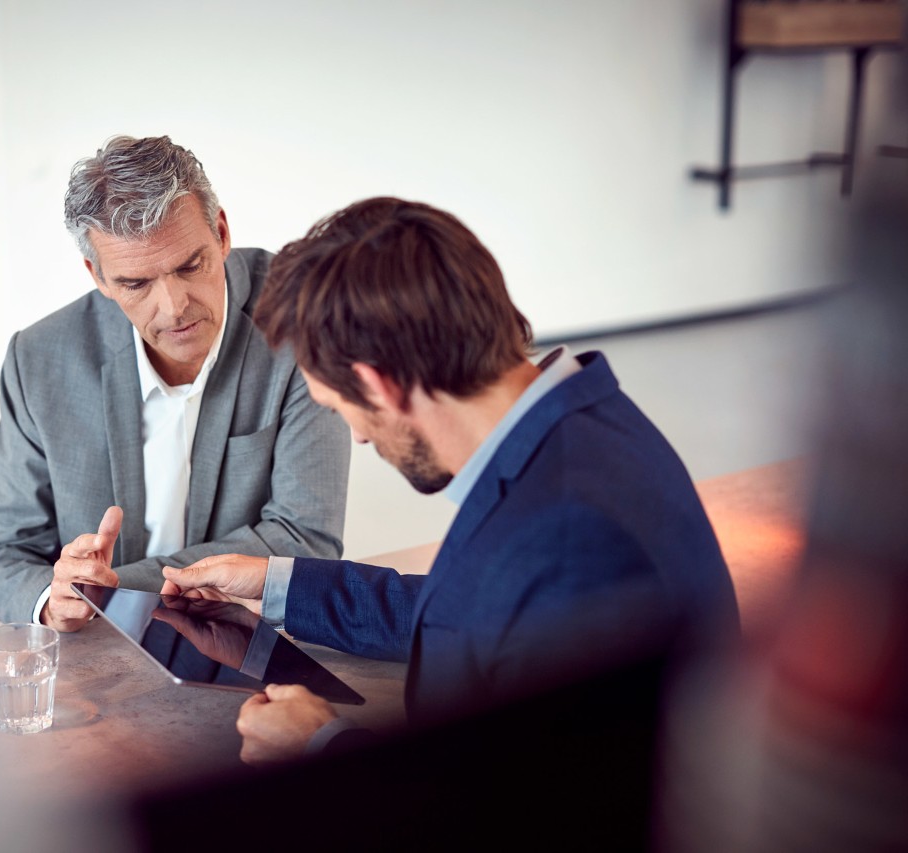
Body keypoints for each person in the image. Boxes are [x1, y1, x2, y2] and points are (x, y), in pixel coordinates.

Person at [160, 195, 740, 765]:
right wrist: (274, 583)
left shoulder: (568, 539)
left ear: (380, 385)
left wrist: (324, 747)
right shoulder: (581, 425)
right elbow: (487, 614)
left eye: (340, 407)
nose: (359, 438)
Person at [0, 135, 351, 632]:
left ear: (220, 232)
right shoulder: (39, 359)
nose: (174, 307)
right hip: (95, 658)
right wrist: (54, 597)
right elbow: (4, 553)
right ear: (99, 276)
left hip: (249, 639)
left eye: (190, 266)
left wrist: (111, 590)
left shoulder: (304, 321)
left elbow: (306, 538)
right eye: (136, 284)